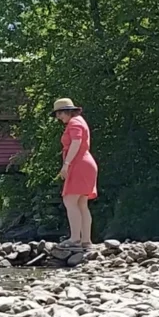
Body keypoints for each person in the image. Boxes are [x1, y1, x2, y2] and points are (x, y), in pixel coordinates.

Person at [53, 98, 97, 249]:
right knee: (81, 203)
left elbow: (76, 142)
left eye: (59, 114)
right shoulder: (80, 120)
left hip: (79, 164)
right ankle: (86, 241)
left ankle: (74, 239)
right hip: (87, 164)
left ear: (65, 111)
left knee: (70, 201)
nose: (58, 118)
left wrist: (66, 164)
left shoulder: (74, 123)